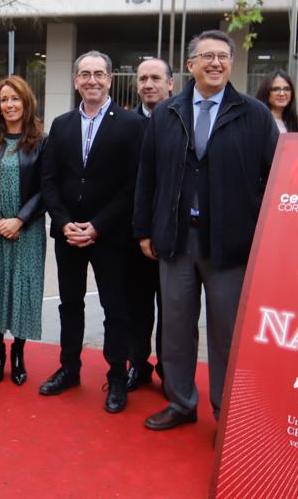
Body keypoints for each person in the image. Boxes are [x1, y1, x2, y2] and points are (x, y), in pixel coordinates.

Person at [134, 30, 278, 433]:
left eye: (223, 56)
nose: (216, 63)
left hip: (229, 243)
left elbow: (276, 177)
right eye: (207, 56)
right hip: (176, 239)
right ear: (191, 64)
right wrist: (144, 229)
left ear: (231, 63)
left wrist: (262, 229)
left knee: (226, 334)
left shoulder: (254, 114)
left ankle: (226, 412)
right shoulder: (167, 113)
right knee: (176, 328)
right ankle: (180, 403)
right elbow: (147, 175)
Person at [39, 51, 143, 414]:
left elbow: (133, 186)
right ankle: (69, 369)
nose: (92, 80)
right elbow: (49, 179)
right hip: (68, 233)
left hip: (110, 236)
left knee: (115, 308)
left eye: (99, 74)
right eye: (85, 74)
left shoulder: (131, 125)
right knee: (71, 305)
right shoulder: (62, 123)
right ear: (75, 81)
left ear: (110, 79)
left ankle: (116, 378)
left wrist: (98, 226)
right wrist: (63, 220)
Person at [0, 76, 47, 386]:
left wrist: (20, 220)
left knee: (24, 288)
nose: (10, 105)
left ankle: (19, 353)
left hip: (28, 229)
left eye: (15, 99)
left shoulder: (42, 140)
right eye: (4, 99)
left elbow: (46, 187)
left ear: (27, 103)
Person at [129, 57, 173, 392]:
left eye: (155, 78)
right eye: (143, 78)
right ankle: (138, 364)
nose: (148, 84)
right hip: (134, 234)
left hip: (174, 234)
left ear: (170, 83)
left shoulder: (182, 120)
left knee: (173, 310)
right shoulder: (126, 124)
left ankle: (170, 371)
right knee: (138, 305)